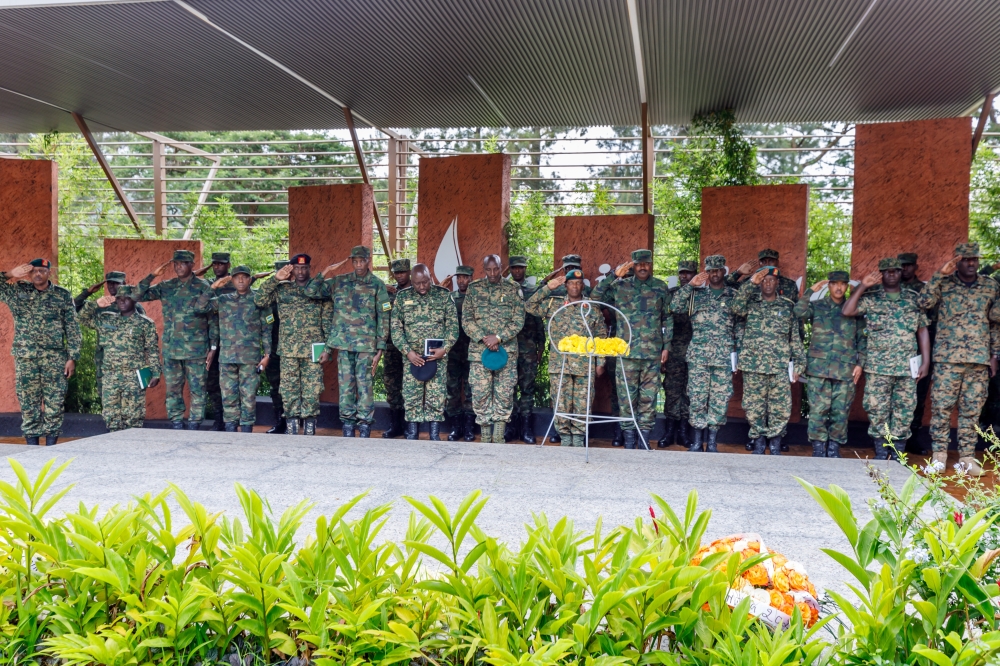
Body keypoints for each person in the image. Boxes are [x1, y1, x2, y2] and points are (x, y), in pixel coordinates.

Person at [917, 243, 1000, 476]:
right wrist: (938, 275)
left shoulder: (990, 286)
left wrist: (995, 355)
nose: (971, 263)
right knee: (941, 408)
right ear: (957, 261)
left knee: (971, 411)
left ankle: (967, 459)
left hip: (978, 359)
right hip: (947, 359)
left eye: (975, 259)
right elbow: (923, 303)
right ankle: (939, 457)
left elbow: (994, 323)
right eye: (966, 259)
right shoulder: (943, 284)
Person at [843, 257, 930, 460]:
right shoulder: (872, 297)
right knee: (876, 408)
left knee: (905, 409)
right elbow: (847, 310)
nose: (892, 274)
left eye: (896, 271)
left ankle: (898, 451)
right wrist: (863, 286)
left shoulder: (912, 298)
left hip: (906, 367)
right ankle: (881, 451)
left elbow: (922, 330)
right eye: (887, 271)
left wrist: (926, 361)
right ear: (881, 274)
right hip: (877, 367)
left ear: (901, 273)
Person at [593, 249, 671, 449]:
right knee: (626, 398)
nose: (643, 267)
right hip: (626, 354)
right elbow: (595, 297)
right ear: (633, 266)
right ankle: (629, 442)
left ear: (651, 264)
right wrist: (613, 276)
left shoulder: (660, 287)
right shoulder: (620, 286)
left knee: (648, 398)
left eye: (646, 263)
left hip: (652, 353)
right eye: (638, 264)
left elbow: (667, 318)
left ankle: (644, 440)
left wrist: (666, 346)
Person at [0, 259, 81, 446]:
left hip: (55, 359)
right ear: (29, 273)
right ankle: (32, 448)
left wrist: (72, 358)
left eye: (42, 271)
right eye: (34, 271)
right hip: (26, 358)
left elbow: (73, 328)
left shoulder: (62, 295)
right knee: (28, 403)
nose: (38, 274)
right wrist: (11, 273)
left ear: (49, 273)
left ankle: (51, 446)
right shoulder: (17, 291)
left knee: (55, 402)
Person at [315, 246, 391, 438]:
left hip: (366, 346)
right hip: (343, 344)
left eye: (361, 261)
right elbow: (312, 291)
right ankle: (347, 424)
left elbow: (384, 316)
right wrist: (326, 271)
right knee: (346, 385)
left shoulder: (376, 285)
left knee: (365, 385)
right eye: (355, 261)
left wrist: (380, 348)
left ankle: (365, 424)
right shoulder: (339, 281)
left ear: (368, 260)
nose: (358, 265)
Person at [136, 249, 216, 430]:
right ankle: (177, 423)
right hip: (172, 349)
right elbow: (136, 296)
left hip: (196, 350)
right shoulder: (166, 286)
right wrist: (152, 276)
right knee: (173, 390)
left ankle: (195, 424)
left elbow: (213, 319)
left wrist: (213, 346)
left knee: (197, 390)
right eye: (176, 264)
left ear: (191, 265)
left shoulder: (204, 287)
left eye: (183, 263)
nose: (178, 267)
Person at [526, 269, 606, 447]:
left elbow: (600, 334)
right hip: (560, 363)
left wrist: (600, 361)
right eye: (571, 283)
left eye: (578, 283)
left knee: (583, 402)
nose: (575, 286)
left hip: (585, 364)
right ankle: (564, 437)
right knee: (560, 401)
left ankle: (578, 438)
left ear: (582, 285)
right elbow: (529, 306)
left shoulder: (591, 306)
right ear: (565, 285)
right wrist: (548, 288)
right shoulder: (554, 304)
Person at [731, 267, 806, 455]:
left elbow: (794, 338)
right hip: (753, 365)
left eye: (771, 280)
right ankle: (758, 441)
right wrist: (750, 284)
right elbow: (736, 307)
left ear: (777, 283)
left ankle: (775, 443)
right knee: (753, 406)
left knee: (780, 407)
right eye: (764, 280)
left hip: (778, 366)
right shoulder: (751, 304)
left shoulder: (787, 307)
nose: (768, 283)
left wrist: (799, 364)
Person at [254, 254, 329, 435]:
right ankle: (292, 428)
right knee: (288, 390)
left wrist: (328, 349)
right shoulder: (282, 290)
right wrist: (275, 279)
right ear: (292, 270)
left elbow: (328, 321)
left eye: (304, 268)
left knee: (312, 390)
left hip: (313, 351)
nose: (301, 271)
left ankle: (310, 428)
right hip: (288, 351)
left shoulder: (320, 290)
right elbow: (259, 300)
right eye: (297, 268)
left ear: (310, 269)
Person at [793, 271, 865, 458]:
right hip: (819, 369)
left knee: (840, 412)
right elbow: (798, 312)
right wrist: (810, 291)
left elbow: (862, 339)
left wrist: (860, 363)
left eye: (843, 284)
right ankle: (818, 448)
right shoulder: (818, 306)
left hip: (845, 369)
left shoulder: (854, 309)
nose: (839, 288)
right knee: (818, 410)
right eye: (834, 284)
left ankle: (834, 449)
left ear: (847, 286)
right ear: (829, 286)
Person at [669, 255, 737, 452]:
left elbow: (740, 321)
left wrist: (737, 355)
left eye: (718, 270)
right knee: (697, 397)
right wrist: (690, 285)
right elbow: (674, 307)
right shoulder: (696, 295)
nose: (714, 274)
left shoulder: (732, 296)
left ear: (724, 271)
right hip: (698, 356)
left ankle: (713, 441)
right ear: (706, 273)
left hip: (723, 357)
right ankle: (698, 441)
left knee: (719, 398)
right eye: (710, 270)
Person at [195, 265, 272, 433]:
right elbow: (199, 307)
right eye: (237, 277)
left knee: (248, 396)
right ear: (232, 279)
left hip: (250, 358)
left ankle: (246, 430)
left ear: (250, 280)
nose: (241, 280)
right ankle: (230, 430)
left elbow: (267, 329)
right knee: (228, 396)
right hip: (227, 358)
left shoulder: (258, 300)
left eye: (245, 277)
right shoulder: (223, 300)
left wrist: (267, 354)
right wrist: (213, 287)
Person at [390, 263, 459, 440]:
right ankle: (412, 434)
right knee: (412, 396)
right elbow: (396, 328)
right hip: (412, 357)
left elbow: (453, 326)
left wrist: (445, 349)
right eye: (417, 283)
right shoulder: (402, 297)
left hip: (437, 357)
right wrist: (408, 352)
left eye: (425, 282)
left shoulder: (443, 296)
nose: (422, 286)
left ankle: (434, 435)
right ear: (411, 281)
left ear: (430, 278)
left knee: (436, 396)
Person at [462, 255, 525, 443]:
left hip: (505, 351)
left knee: (504, 393)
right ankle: (485, 436)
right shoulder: (474, 289)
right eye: (488, 270)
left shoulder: (513, 289)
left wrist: (498, 337)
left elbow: (518, 319)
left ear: (501, 267)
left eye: (496, 269)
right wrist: (485, 338)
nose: (492, 273)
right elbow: (467, 320)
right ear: (483, 269)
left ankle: (498, 436)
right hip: (479, 351)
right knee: (481, 393)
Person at [81, 285, 160, 431]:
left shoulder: (145, 324)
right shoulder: (106, 320)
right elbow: (81, 318)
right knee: (111, 416)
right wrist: (95, 304)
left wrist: (156, 373)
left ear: (134, 300)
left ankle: (132, 450)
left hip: (134, 377)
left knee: (133, 417)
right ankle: (114, 449)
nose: (122, 301)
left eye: (126, 298)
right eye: (119, 298)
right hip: (111, 376)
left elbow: (152, 350)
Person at [73, 270, 144, 400]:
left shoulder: (135, 306)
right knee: (107, 399)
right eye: (109, 283)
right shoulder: (102, 304)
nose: (112, 286)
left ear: (124, 283)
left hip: (128, 361)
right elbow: (74, 308)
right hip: (104, 360)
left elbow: (143, 335)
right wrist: (88, 292)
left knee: (130, 399)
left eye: (116, 283)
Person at [508, 255, 545, 443]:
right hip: (508, 347)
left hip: (529, 348)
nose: (517, 271)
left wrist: (540, 345)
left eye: (520, 268)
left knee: (527, 389)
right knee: (509, 388)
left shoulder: (533, 290)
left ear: (525, 269)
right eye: (514, 268)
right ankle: (511, 427)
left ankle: (526, 429)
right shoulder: (504, 289)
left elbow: (538, 318)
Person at [659, 260, 696, 448]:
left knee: (689, 392)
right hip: (673, 350)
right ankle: (669, 432)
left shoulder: (700, 296)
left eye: (689, 273)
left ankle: (684, 433)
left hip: (695, 351)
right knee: (672, 391)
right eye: (682, 273)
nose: (684, 276)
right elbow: (664, 321)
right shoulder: (672, 294)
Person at [899, 252, 932, 454]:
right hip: (894, 355)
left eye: (909, 265)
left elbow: (929, 323)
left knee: (917, 398)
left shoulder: (923, 290)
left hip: (917, 353)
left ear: (915, 267)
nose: (905, 269)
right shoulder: (890, 289)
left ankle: (912, 438)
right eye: (901, 266)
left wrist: (926, 359)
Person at [202, 251, 234, 432]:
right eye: (214, 264)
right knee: (212, 383)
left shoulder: (236, 284)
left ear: (228, 265)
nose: (217, 267)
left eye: (221, 264)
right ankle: (218, 418)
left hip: (231, 342)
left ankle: (231, 419)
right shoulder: (208, 285)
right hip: (210, 342)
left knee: (230, 383)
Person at [382, 258, 412, 438]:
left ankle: (410, 426)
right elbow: (384, 315)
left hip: (410, 348)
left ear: (409, 272)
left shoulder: (415, 291)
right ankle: (395, 425)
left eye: (403, 272)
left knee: (409, 385)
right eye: (397, 273)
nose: (400, 276)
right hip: (392, 347)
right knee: (392, 385)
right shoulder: (389, 293)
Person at [445, 265, 476, 441]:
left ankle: (470, 428)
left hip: (472, 351)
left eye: (465, 277)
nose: (462, 281)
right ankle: (455, 427)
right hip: (453, 352)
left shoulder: (476, 299)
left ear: (471, 278)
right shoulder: (450, 298)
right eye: (459, 278)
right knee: (453, 390)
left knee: (471, 389)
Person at [264, 259, 288, 434]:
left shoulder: (297, 292)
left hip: (292, 351)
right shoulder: (270, 296)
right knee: (275, 387)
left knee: (293, 387)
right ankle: (281, 421)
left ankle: (294, 420)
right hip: (273, 350)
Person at [727, 248, 801, 302]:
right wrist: (738, 273)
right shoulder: (749, 282)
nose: (767, 264)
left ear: (777, 262)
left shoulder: (789, 284)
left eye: (771, 261)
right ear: (759, 263)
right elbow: (725, 286)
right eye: (764, 261)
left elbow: (796, 310)